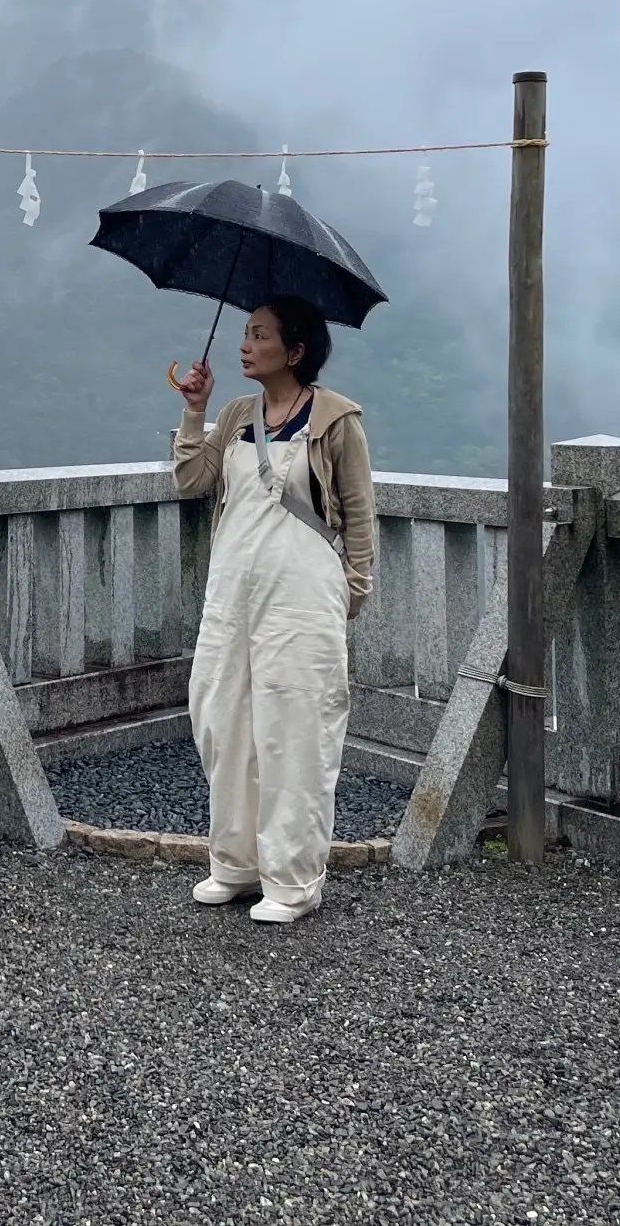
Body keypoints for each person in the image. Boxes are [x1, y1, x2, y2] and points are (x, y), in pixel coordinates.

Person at [169, 295, 375, 924]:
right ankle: (235, 863)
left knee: (294, 730)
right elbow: (192, 481)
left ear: (295, 351)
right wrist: (195, 412)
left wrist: (354, 587)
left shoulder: (337, 420)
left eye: (259, 335)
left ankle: (292, 879)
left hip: (302, 596)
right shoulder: (235, 414)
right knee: (221, 718)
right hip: (233, 591)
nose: (244, 344)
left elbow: (359, 510)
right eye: (243, 333)